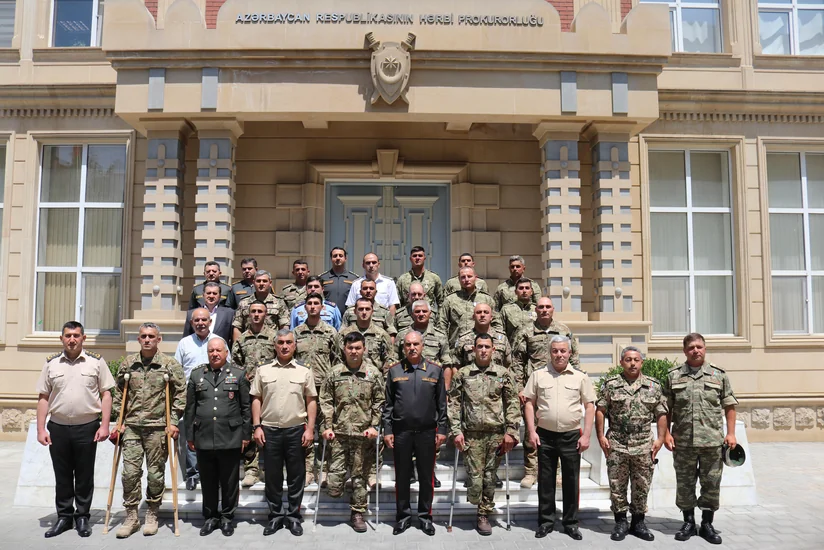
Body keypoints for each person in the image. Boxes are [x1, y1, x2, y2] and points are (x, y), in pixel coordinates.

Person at [35, 321, 115, 538]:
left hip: (87, 427)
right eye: (68, 335)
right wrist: (41, 429)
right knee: (62, 475)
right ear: (61, 338)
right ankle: (63, 517)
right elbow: (43, 397)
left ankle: (82, 517)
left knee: (84, 475)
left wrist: (105, 425)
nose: (72, 339)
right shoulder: (51, 364)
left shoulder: (96, 363)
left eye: (76, 335)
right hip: (58, 427)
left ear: (83, 338)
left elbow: (106, 394)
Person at [111, 323, 186, 538]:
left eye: (151, 336)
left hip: (157, 428)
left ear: (158, 339)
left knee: (155, 474)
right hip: (132, 426)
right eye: (143, 336)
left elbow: (180, 395)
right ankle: (131, 516)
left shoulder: (170, 365)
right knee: (130, 473)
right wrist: (120, 420)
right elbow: (119, 394)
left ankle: (152, 512)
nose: (147, 339)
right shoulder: (128, 364)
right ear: (138, 339)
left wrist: (172, 421)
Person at [663, 333, 738, 545]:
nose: (696, 350)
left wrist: (731, 433)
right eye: (691, 348)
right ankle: (688, 522)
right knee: (685, 484)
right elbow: (666, 409)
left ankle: (706, 524)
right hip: (683, 442)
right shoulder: (673, 376)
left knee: (711, 484)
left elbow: (729, 405)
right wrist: (666, 433)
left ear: (705, 348)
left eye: (699, 347)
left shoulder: (719, 375)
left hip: (712, 442)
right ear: (684, 351)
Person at [522, 335, 595, 541]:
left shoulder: (580, 377)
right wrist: (532, 431)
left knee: (571, 481)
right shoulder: (538, 375)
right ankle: (545, 522)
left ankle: (571, 523)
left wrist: (587, 435)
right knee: (546, 481)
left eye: (563, 351)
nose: (559, 354)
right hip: (544, 435)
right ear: (550, 352)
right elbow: (529, 403)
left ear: (570, 353)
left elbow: (590, 406)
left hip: (571, 436)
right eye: (555, 351)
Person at [448, 334, 519, 536]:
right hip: (471, 435)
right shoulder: (463, 374)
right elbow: (453, 404)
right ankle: (476, 503)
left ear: (493, 349)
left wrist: (511, 432)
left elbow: (512, 404)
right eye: (480, 346)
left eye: (487, 346)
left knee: (489, 477)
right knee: (475, 479)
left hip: (495, 434)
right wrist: (456, 431)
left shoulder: (504, 374)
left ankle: (483, 514)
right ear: (473, 349)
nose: (483, 350)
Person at [596, 346, 667, 542]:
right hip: (617, 442)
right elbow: (600, 410)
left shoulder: (653, 386)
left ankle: (638, 522)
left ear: (642, 362)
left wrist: (660, 439)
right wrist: (601, 436)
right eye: (628, 359)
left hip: (644, 442)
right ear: (621, 362)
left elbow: (661, 414)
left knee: (642, 484)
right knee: (617, 484)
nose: (632, 363)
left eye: (636, 359)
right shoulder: (611, 385)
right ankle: (620, 521)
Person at [251, 329, 317, 537]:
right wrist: (257, 426)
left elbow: (311, 400)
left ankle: (294, 516)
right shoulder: (263, 370)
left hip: (296, 430)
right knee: (272, 476)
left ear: (295, 345)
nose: (285, 346)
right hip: (269, 430)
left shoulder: (304, 371)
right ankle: (276, 516)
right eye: (280, 342)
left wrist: (310, 428)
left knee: (296, 477)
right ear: (275, 345)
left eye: (289, 342)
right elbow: (256, 398)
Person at [383, 331, 448, 536]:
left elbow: (442, 404)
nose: (412, 348)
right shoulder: (394, 371)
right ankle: (402, 517)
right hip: (401, 432)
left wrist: (443, 429)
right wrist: (387, 430)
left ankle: (425, 517)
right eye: (408, 345)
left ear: (422, 346)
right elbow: (388, 405)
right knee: (402, 477)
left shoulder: (435, 371)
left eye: (416, 344)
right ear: (403, 347)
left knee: (426, 477)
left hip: (427, 432)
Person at [512, 297, 581, 488]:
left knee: (558, 431)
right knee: (531, 431)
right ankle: (531, 471)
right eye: (541, 307)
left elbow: (574, 359)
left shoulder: (564, 331)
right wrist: (520, 387)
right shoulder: (525, 331)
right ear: (536, 309)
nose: (544, 310)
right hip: (534, 389)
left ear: (553, 309)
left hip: (560, 386)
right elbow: (517, 361)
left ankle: (557, 472)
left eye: (547, 307)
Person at [185, 338, 251, 537]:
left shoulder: (238, 375)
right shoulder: (197, 375)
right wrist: (190, 435)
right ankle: (210, 517)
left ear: (226, 352)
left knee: (229, 482)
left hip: (230, 436)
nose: (214, 354)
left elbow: (246, 408)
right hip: (204, 436)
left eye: (218, 350)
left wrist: (245, 435)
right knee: (208, 480)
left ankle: (227, 517)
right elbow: (190, 408)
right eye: (211, 350)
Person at [319, 332, 385, 533]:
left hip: (363, 435)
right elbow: (326, 401)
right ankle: (334, 483)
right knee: (333, 487)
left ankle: (358, 513)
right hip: (338, 435)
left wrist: (374, 426)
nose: (354, 351)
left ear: (364, 349)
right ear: (344, 349)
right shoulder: (334, 373)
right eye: (350, 348)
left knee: (359, 477)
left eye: (358, 348)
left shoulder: (373, 374)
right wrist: (327, 426)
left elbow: (379, 402)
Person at [293, 292, 339, 485]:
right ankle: (307, 469)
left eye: (316, 303)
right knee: (304, 428)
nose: (312, 306)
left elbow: (337, 360)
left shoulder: (330, 333)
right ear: (304, 308)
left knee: (325, 428)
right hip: (302, 389)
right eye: (309, 304)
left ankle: (323, 469)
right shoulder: (296, 333)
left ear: (322, 308)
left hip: (323, 389)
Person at [175, 308, 223, 491]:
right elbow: (177, 371)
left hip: (216, 394)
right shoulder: (184, 343)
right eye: (197, 320)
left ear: (210, 321)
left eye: (204, 319)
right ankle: (193, 474)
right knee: (192, 433)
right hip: (191, 395)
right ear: (191, 323)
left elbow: (228, 366)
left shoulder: (218, 340)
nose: (201, 323)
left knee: (215, 432)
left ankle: (214, 472)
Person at [231, 300, 277, 487]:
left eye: (260, 311)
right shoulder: (241, 339)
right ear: (248, 315)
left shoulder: (274, 337)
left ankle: (271, 467)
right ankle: (251, 468)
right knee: (250, 427)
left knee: (272, 427)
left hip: (271, 390)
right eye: (253, 311)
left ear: (266, 314)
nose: (257, 314)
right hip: (249, 391)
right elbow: (235, 363)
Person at [438, 266, 500, 343]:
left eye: (469, 276)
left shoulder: (487, 299)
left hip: (481, 347)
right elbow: (441, 326)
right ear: (459, 279)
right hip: (456, 348)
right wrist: (445, 350)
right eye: (463, 277)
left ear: (475, 278)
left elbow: (497, 324)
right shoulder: (450, 300)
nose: (466, 279)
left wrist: (496, 344)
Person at [337, 298, 395, 374]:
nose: (364, 312)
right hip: (348, 380)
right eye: (360, 309)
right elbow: (338, 360)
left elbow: (389, 360)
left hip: (374, 380)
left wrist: (384, 380)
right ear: (355, 311)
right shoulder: (344, 335)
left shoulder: (382, 335)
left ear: (372, 311)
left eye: (367, 309)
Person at [232, 270, 289, 342]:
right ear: (253, 283)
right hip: (248, 345)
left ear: (270, 283)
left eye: (264, 281)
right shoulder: (244, 303)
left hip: (271, 346)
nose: (261, 284)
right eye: (258, 281)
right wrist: (237, 348)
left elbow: (284, 327)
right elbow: (237, 327)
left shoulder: (279, 303)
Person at [395, 246, 444, 315]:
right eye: (414, 256)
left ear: (424, 258)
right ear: (410, 259)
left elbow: (441, 302)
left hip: (428, 318)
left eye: (420, 256)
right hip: (407, 319)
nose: (417, 258)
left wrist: (439, 320)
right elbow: (397, 303)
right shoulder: (402, 279)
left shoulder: (434, 278)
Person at [319, 246, 358, 316]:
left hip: (348, 316)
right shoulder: (322, 278)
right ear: (331, 259)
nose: (338, 258)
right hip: (328, 316)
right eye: (335, 256)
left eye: (341, 256)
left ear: (345, 258)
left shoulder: (354, 278)